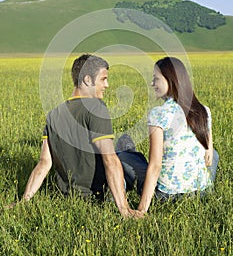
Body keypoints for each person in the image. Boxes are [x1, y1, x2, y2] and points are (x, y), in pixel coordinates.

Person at [8, 54, 143, 218]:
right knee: (127, 148)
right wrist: (124, 209)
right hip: (101, 194)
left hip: (70, 196)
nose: (107, 85)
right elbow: (110, 160)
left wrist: (25, 200)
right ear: (87, 80)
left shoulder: (53, 114)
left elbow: (44, 163)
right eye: (103, 79)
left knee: (121, 147)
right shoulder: (96, 107)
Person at [137, 56, 219, 214]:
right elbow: (208, 156)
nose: (152, 84)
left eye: (156, 79)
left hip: (168, 195)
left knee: (127, 157)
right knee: (213, 154)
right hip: (202, 192)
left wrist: (142, 210)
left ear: (170, 79)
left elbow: (155, 165)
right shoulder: (204, 110)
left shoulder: (158, 114)